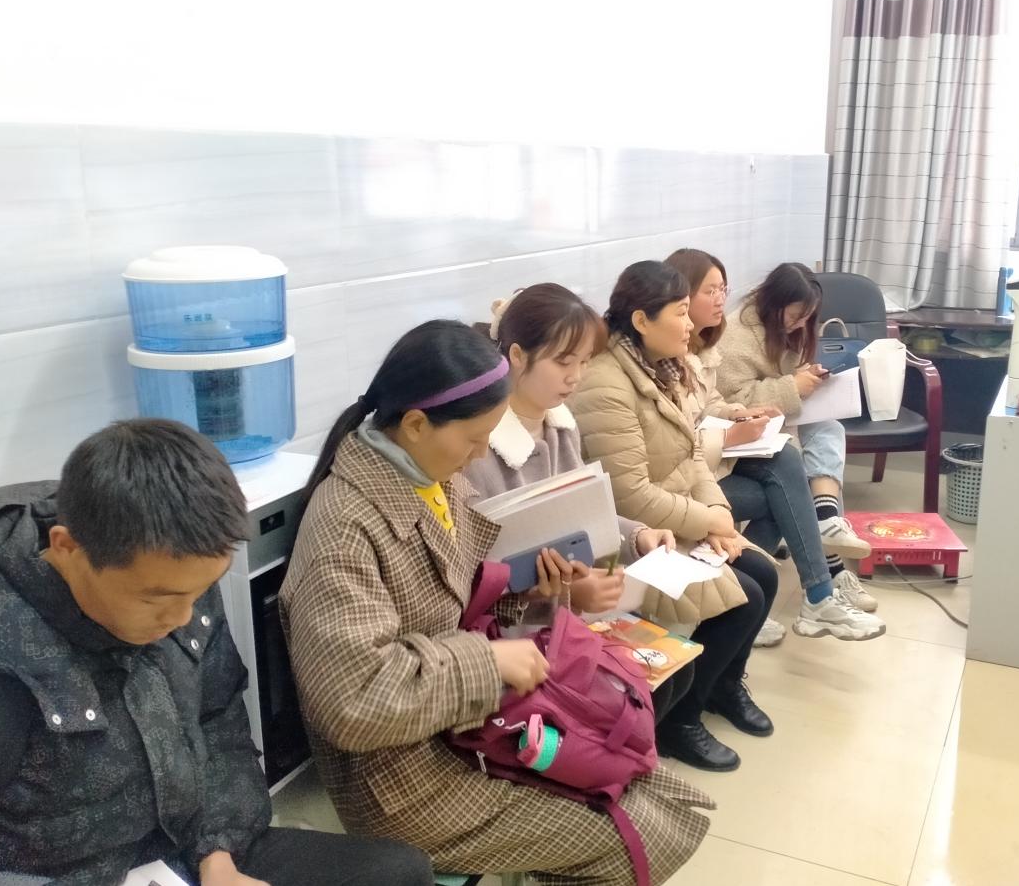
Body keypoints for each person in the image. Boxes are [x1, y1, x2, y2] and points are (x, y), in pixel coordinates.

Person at [280, 320, 711, 885]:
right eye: (473, 439)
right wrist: (488, 662)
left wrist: (531, 595)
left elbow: (457, 603)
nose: (479, 454)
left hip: (467, 728)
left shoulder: (435, 481)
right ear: (415, 424)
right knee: (632, 834)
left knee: (634, 776)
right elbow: (353, 702)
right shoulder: (344, 528)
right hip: (402, 779)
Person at [0, 419, 432, 886]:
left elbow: (218, 719)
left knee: (399, 873)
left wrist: (218, 856)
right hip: (67, 874)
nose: (181, 618)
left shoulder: (179, 573)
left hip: (186, 849)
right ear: (67, 548)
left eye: (199, 593)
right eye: (156, 599)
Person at [569, 261, 776, 774]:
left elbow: (691, 456)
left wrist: (719, 516)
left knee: (765, 574)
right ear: (642, 320)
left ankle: (722, 686)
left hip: (682, 516)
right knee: (744, 599)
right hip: (641, 535)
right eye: (681, 313)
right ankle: (679, 721)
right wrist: (708, 523)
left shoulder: (663, 366)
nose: (690, 325)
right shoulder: (605, 384)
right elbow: (629, 495)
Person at [462, 284, 696, 721]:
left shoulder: (560, 425)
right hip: (515, 637)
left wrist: (638, 536)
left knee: (672, 673)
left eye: (585, 361)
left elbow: (583, 511)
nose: (576, 376)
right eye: (563, 362)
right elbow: (482, 575)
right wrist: (571, 593)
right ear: (517, 356)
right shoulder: (479, 449)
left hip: (564, 615)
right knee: (636, 692)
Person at [665, 249, 886, 641]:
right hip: (684, 482)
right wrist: (733, 429)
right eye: (709, 291)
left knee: (805, 449)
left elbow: (711, 402)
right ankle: (805, 583)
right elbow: (672, 449)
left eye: (723, 289)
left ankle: (793, 590)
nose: (721, 300)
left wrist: (738, 414)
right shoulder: (689, 351)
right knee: (784, 487)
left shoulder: (701, 344)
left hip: (714, 461)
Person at [717, 262, 880, 613]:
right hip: (741, 438)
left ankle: (828, 521)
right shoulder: (735, 337)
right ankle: (829, 571)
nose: (801, 324)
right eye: (795, 316)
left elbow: (778, 382)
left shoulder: (785, 327)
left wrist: (806, 377)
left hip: (775, 422)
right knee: (790, 483)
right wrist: (792, 386)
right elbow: (732, 402)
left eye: (807, 317)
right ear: (774, 303)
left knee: (829, 428)